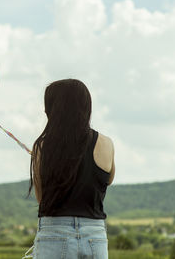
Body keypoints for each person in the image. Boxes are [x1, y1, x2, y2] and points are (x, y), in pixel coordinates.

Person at [23, 79, 115, 259]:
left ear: (54, 110)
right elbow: (108, 179)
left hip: (54, 235)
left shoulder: (42, 146)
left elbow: (42, 198)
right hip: (94, 237)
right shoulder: (106, 143)